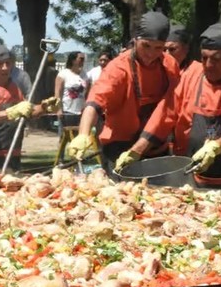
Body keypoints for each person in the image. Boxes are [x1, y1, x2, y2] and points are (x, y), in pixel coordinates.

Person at [117, 23, 221, 191]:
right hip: (190, 172)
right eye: (204, 58)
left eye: (215, 59)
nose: (208, 65)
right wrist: (136, 150)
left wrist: (216, 146)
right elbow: (165, 114)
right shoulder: (190, 76)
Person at [68, 11, 180, 170]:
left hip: (154, 147)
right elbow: (95, 101)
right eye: (146, 46)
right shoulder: (118, 68)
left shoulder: (170, 65)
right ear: (135, 40)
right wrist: (83, 134)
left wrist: (140, 148)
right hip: (118, 148)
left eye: (158, 48)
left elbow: (168, 110)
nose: (151, 54)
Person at [0, 44, 57, 172]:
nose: (5, 68)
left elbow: (26, 111)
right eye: (0, 64)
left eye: (8, 63)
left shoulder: (13, 88)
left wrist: (43, 107)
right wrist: (11, 112)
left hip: (11, 155)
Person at [54, 52, 88, 126]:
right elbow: (57, 93)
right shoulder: (63, 74)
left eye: (84, 59)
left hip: (81, 112)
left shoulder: (84, 74)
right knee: (67, 136)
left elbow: (87, 93)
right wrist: (58, 109)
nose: (83, 61)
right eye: (81, 59)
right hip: (67, 111)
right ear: (73, 60)